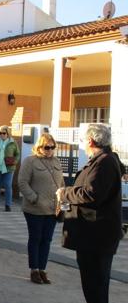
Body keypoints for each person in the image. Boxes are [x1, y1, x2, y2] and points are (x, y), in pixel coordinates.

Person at [57, 124, 123, 303]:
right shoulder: (101, 160)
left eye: (83, 140)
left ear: (91, 141)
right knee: (93, 286)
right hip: (92, 236)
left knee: (96, 287)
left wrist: (65, 193)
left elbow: (91, 194)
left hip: (97, 237)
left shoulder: (104, 162)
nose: (83, 145)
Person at [17, 133, 64, 284]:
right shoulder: (30, 161)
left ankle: (43, 269)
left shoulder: (56, 161)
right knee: (36, 238)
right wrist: (34, 198)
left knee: (47, 240)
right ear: (39, 146)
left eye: (52, 147)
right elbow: (22, 182)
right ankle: (34, 270)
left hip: (52, 209)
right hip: (34, 209)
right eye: (46, 147)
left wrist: (62, 198)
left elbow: (61, 182)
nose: (49, 150)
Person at [0, 125, 20, 211]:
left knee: (8, 185)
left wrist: (15, 161)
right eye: (0, 133)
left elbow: (17, 154)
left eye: (3, 133)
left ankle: (8, 205)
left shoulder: (13, 142)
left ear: (8, 133)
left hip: (9, 168)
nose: (1, 135)